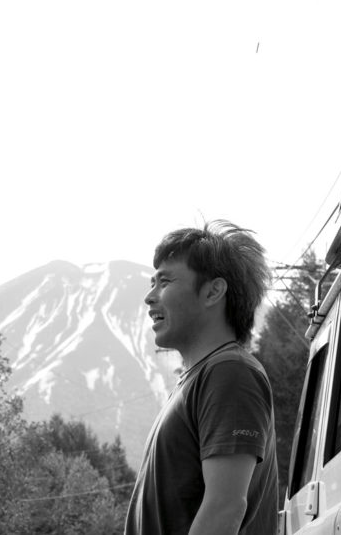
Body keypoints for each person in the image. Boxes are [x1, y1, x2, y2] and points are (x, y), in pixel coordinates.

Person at [125, 220, 278, 535]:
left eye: (165, 282)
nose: (150, 297)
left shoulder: (230, 373)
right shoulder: (202, 377)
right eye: (152, 283)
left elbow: (225, 508)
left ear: (213, 291)